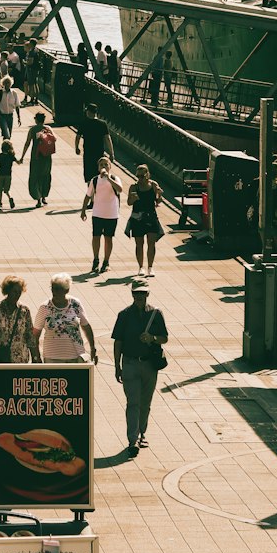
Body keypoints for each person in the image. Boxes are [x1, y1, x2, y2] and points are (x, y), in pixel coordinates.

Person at [112, 279, 168, 456]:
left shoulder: (156, 314)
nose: (139, 296)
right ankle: (132, 440)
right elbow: (118, 342)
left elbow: (164, 338)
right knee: (133, 402)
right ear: (132, 294)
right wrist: (117, 366)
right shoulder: (124, 315)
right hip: (129, 363)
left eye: (142, 293)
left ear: (147, 294)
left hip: (149, 365)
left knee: (145, 403)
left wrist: (152, 338)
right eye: (136, 293)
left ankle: (142, 432)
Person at [33, 274, 97, 364]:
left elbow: (86, 326)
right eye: (53, 288)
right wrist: (36, 356)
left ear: (67, 290)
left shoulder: (75, 304)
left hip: (76, 356)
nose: (54, 291)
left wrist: (92, 347)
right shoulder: (45, 307)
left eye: (58, 289)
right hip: (52, 358)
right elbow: (35, 334)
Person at [81, 157, 122, 274]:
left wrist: (109, 178)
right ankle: (96, 260)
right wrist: (83, 210)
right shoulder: (95, 180)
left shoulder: (115, 178)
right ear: (98, 168)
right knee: (96, 237)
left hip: (112, 214)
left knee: (108, 238)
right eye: (101, 165)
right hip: (98, 213)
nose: (104, 167)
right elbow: (88, 195)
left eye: (106, 164)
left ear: (110, 167)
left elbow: (120, 189)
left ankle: (106, 261)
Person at [0, 276, 40, 363]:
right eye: (14, 291)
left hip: (20, 358)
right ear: (7, 291)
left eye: (19, 292)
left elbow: (30, 334)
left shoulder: (24, 310)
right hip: (0, 357)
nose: (17, 295)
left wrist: (35, 356)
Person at [126, 164, 165, 278]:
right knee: (139, 243)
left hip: (151, 216)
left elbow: (158, 201)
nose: (139, 179)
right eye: (137, 176)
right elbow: (129, 203)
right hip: (138, 217)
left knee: (151, 242)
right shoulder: (134, 187)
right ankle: (141, 267)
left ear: (147, 175)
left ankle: (150, 267)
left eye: (142, 176)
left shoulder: (153, 185)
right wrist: (133, 198)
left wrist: (160, 195)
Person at [20, 111, 55, 207]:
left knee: (35, 176)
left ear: (36, 119)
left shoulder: (32, 130)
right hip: (47, 156)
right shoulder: (48, 128)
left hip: (36, 156)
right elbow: (54, 139)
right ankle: (44, 197)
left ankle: (38, 198)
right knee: (46, 175)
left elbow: (27, 143)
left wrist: (22, 157)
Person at [74, 103, 113, 184]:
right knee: (99, 175)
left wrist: (77, 147)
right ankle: (98, 191)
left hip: (88, 153)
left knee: (89, 177)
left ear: (88, 112)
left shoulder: (83, 123)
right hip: (99, 154)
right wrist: (111, 153)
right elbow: (107, 139)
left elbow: (78, 137)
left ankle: (91, 193)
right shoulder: (102, 124)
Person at [0, 76, 21, 140]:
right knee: (6, 134)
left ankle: (5, 148)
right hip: (2, 116)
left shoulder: (14, 93)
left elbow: (17, 105)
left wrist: (18, 117)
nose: (7, 84)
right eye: (6, 83)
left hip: (10, 116)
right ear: (3, 84)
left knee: (8, 136)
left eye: (9, 83)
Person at [0, 139, 17, 212]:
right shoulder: (11, 156)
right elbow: (18, 162)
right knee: (6, 190)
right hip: (8, 175)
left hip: (0, 175)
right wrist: (21, 159)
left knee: (0, 190)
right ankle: (10, 198)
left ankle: (0, 202)